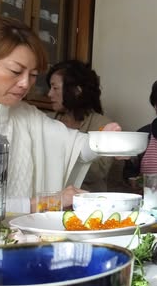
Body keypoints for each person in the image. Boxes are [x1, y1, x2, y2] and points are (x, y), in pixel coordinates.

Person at [0, 17, 120, 213]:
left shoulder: (27, 116)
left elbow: (75, 147)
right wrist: (50, 201)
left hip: (17, 232)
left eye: (33, 75)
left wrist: (107, 139)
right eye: (15, 71)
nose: (25, 84)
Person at [47, 60, 114, 192]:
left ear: (77, 91)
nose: (49, 94)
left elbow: (99, 172)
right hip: (51, 199)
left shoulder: (103, 125)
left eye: (55, 88)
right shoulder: (46, 121)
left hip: (87, 199)